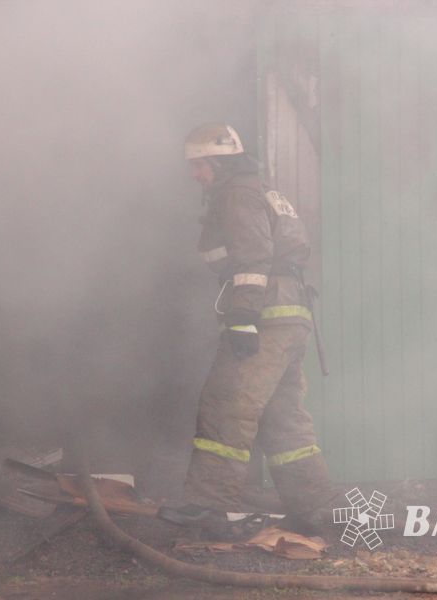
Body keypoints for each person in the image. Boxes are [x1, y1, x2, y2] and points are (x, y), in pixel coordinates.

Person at [158, 124, 338, 537]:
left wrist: (242, 317)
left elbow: (254, 257)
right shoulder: (258, 189)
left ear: (220, 163)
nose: (195, 174)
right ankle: (314, 509)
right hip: (290, 314)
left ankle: (210, 506)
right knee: (283, 417)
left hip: (266, 314)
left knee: (227, 403)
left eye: (200, 165)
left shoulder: (237, 194)